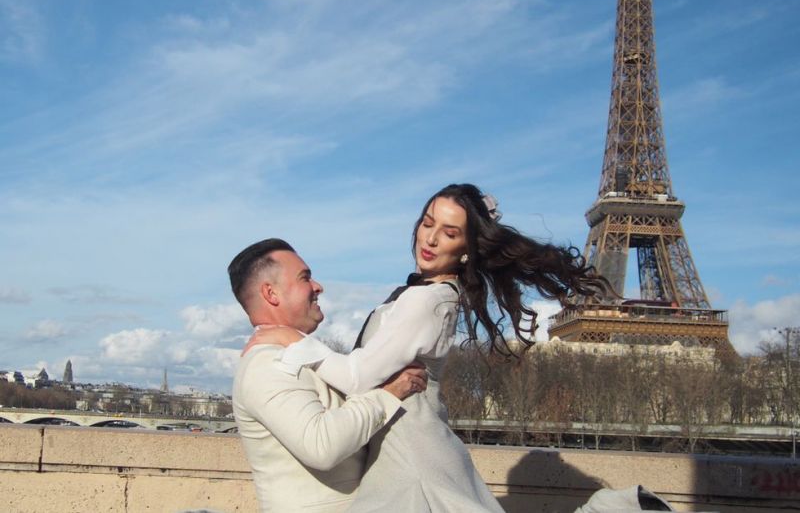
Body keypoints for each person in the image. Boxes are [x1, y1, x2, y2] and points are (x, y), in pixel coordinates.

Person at [247, 184, 609, 512]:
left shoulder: (427, 301)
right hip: (410, 453)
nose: (431, 239)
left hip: (409, 459)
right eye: (427, 222)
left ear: (466, 249)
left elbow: (357, 378)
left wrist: (294, 340)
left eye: (449, 233)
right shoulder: (435, 296)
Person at [229, 238, 428, 513]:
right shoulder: (268, 364)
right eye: (304, 278)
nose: (318, 286)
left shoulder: (297, 355)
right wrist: (388, 394)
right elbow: (322, 447)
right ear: (271, 294)